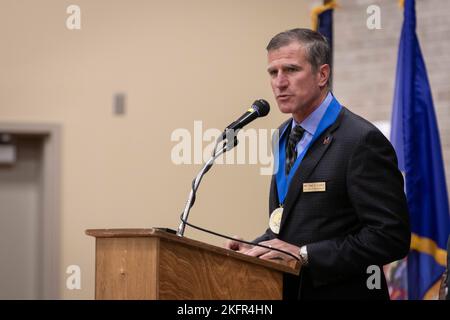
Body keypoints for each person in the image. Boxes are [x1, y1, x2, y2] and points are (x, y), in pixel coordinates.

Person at [225, 28, 411, 300]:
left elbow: (390, 237)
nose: (280, 82)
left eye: (290, 70)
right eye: (272, 73)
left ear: (322, 74)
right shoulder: (283, 134)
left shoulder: (360, 140)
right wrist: (254, 247)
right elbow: (290, 225)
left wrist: (304, 255)